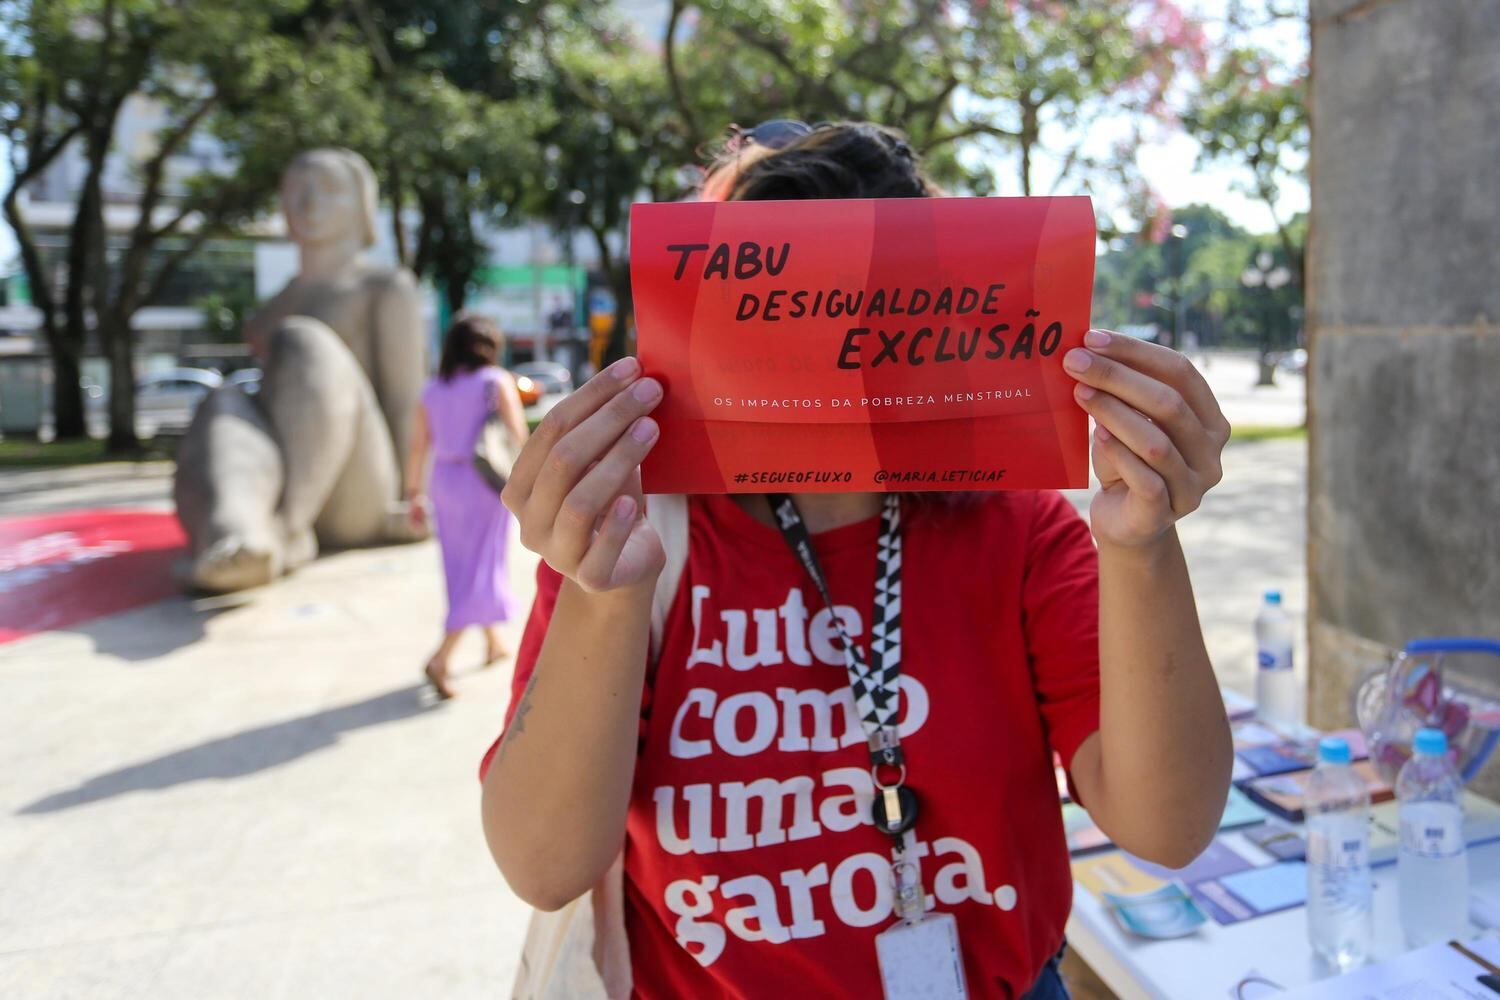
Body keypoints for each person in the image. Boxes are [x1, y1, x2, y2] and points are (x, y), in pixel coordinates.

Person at [479, 123, 1234, 998]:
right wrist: (604, 596)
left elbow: (1170, 824)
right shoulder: (634, 537)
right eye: (790, 305)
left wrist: (1142, 545)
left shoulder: (1018, 527)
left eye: (881, 303)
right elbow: (542, 864)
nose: (842, 347)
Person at [174, 148, 428, 593]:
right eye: (296, 191)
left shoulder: (385, 288)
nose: (310, 203)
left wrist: (414, 497)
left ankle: (285, 526)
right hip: (288, 467)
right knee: (224, 401)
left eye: (329, 190)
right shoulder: (271, 309)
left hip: (362, 491)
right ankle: (237, 532)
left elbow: (406, 398)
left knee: (306, 341)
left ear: (362, 205)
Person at [406, 313, 529, 699]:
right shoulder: (495, 381)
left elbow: (417, 446)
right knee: (481, 564)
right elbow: (519, 435)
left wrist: (413, 494)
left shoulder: (433, 389)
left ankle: (493, 640)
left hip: (444, 481)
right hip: (483, 482)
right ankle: (441, 658)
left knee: (463, 566)